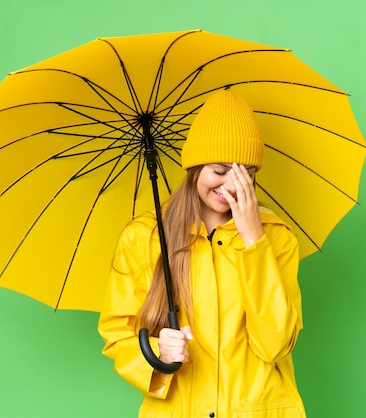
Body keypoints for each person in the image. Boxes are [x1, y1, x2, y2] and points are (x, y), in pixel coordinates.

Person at [98, 89, 306, 417]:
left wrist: (254, 240)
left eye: (245, 174)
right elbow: (116, 333)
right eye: (220, 171)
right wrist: (156, 352)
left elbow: (275, 343)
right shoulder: (146, 238)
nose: (232, 187)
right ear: (195, 169)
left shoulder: (276, 238)